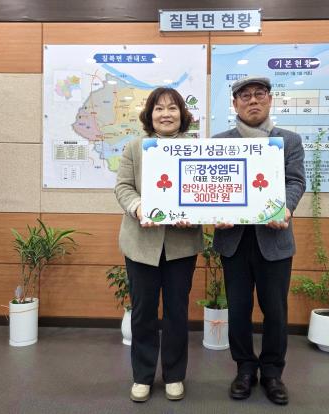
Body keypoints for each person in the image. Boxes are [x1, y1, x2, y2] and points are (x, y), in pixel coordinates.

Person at [213, 76, 306, 406]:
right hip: (234, 240)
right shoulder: (219, 143)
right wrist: (215, 211)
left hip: (274, 239)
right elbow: (212, 187)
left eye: (259, 94)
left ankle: (272, 373)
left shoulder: (289, 141)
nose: (253, 100)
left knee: (276, 312)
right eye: (245, 96)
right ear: (235, 104)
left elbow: (295, 182)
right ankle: (244, 370)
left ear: (269, 99)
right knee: (238, 310)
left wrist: (286, 209)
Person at [114, 87, 202, 403]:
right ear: (150, 115)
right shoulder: (134, 148)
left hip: (182, 244)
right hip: (141, 244)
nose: (166, 114)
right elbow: (123, 187)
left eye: (172, 108)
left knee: (177, 312)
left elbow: (202, 192)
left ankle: (175, 375)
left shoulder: (197, 149)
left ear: (183, 114)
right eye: (159, 108)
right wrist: (139, 207)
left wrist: (193, 215)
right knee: (143, 312)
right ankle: (142, 376)